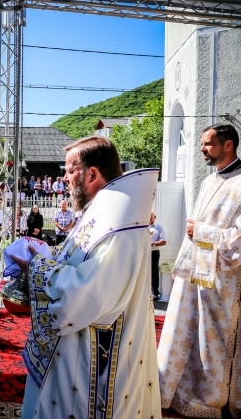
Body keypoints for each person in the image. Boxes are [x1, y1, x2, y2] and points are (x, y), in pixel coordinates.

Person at [13, 136, 160, 419]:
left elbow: (88, 292)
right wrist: (48, 253)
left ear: (91, 173)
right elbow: (79, 258)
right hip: (74, 348)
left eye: (69, 170)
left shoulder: (119, 227)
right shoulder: (99, 212)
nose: (64, 178)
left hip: (94, 363)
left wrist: (36, 266)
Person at [158, 124, 241, 418]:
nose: (202, 149)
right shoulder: (208, 182)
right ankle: (175, 391)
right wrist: (182, 263)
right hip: (195, 273)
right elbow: (192, 231)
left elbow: (238, 239)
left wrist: (202, 232)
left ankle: (208, 400)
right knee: (183, 333)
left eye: (207, 144)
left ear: (228, 145)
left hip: (223, 279)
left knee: (209, 339)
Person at [147, 211, 166, 301]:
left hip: (153, 252)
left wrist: (153, 244)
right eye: (148, 215)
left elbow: (164, 241)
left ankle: (155, 292)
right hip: (142, 253)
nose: (150, 217)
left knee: (153, 272)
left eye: (152, 216)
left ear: (155, 217)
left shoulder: (158, 228)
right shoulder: (141, 227)